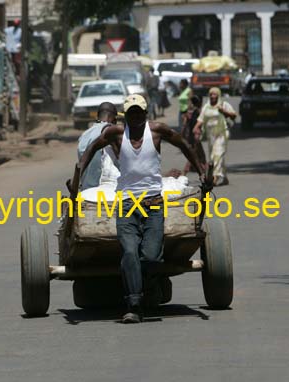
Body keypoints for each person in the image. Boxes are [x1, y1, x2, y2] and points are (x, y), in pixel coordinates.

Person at [78, 94, 204, 324]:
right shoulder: (115, 134)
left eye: (139, 112)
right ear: (124, 117)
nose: (135, 117)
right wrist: (78, 176)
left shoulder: (157, 131)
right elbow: (91, 149)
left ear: (146, 114)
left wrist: (202, 171)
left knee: (151, 256)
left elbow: (183, 144)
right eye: (131, 113)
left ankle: (144, 284)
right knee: (129, 252)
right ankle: (133, 304)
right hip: (126, 204)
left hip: (154, 204)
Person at [193, 87, 236, 186]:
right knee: (217, 156)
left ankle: (215, 178)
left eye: (215, 94)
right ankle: (224, 177)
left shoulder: (223, 105)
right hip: (211, 135)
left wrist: (223, 111)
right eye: (211, 94)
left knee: (216, 155)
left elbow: (234, 116)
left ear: (218, 95)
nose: (212, 96)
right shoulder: (206, 107)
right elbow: (201, 119)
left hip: (222, 134)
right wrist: (196, 128)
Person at [76, 102, 118, 190]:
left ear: (97, 117)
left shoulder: (84, 135)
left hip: (86, 189)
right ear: (114, 119)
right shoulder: (111, 133)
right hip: (107, 189)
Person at [182, 95, 205, 174]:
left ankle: (186, 171)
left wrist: (182, 134)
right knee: (198, 153)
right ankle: (204, 169)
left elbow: (185, 125)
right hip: (195, 135)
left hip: (193, 136)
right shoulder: (198, 111)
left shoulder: (190, 113)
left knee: (194, 153)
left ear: (192, 103)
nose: (188, 104)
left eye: (189, 102)